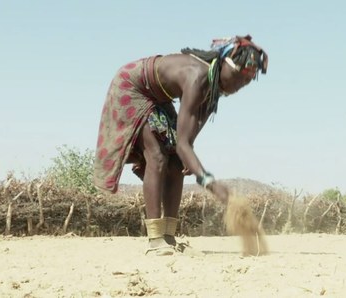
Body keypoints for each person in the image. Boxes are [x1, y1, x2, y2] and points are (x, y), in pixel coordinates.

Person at [93, 35, 268, 255]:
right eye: (237, 76)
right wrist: (211, 183)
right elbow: (184, 143)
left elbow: (186, 142)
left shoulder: (213, 89)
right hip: (133, 87)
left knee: (176, 163)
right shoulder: (197, 78)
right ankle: (155, 240)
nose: (239, 84)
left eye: (247, 81)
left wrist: (187, 159)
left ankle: (169, 236)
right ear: (224, 63)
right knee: (157, 156)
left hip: (158, 98)